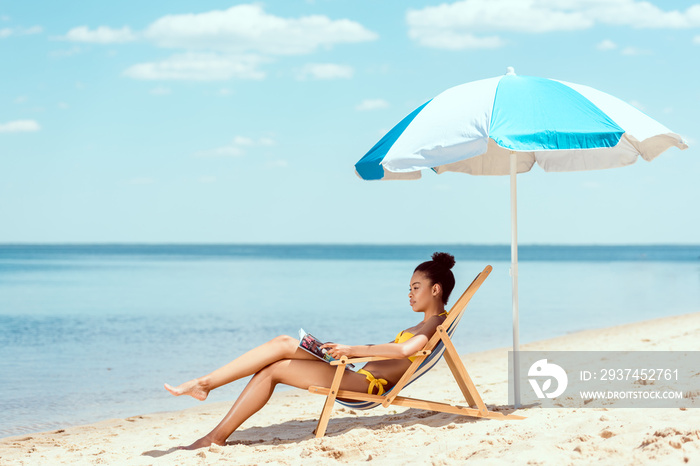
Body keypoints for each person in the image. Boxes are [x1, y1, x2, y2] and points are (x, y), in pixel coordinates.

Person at [164, 252, 457, 449]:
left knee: (279, 354)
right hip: (354, 374)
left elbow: (406, 350)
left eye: (415, 287)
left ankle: (207, 396)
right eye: (409, 288)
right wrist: (342, 353)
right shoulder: (426, 323)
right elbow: (399, 351)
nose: (409, 293)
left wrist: (353, 350)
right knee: (277, 355)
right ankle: (212, 420)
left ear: (436, 290)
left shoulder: (433, 324)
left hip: (367, 385)